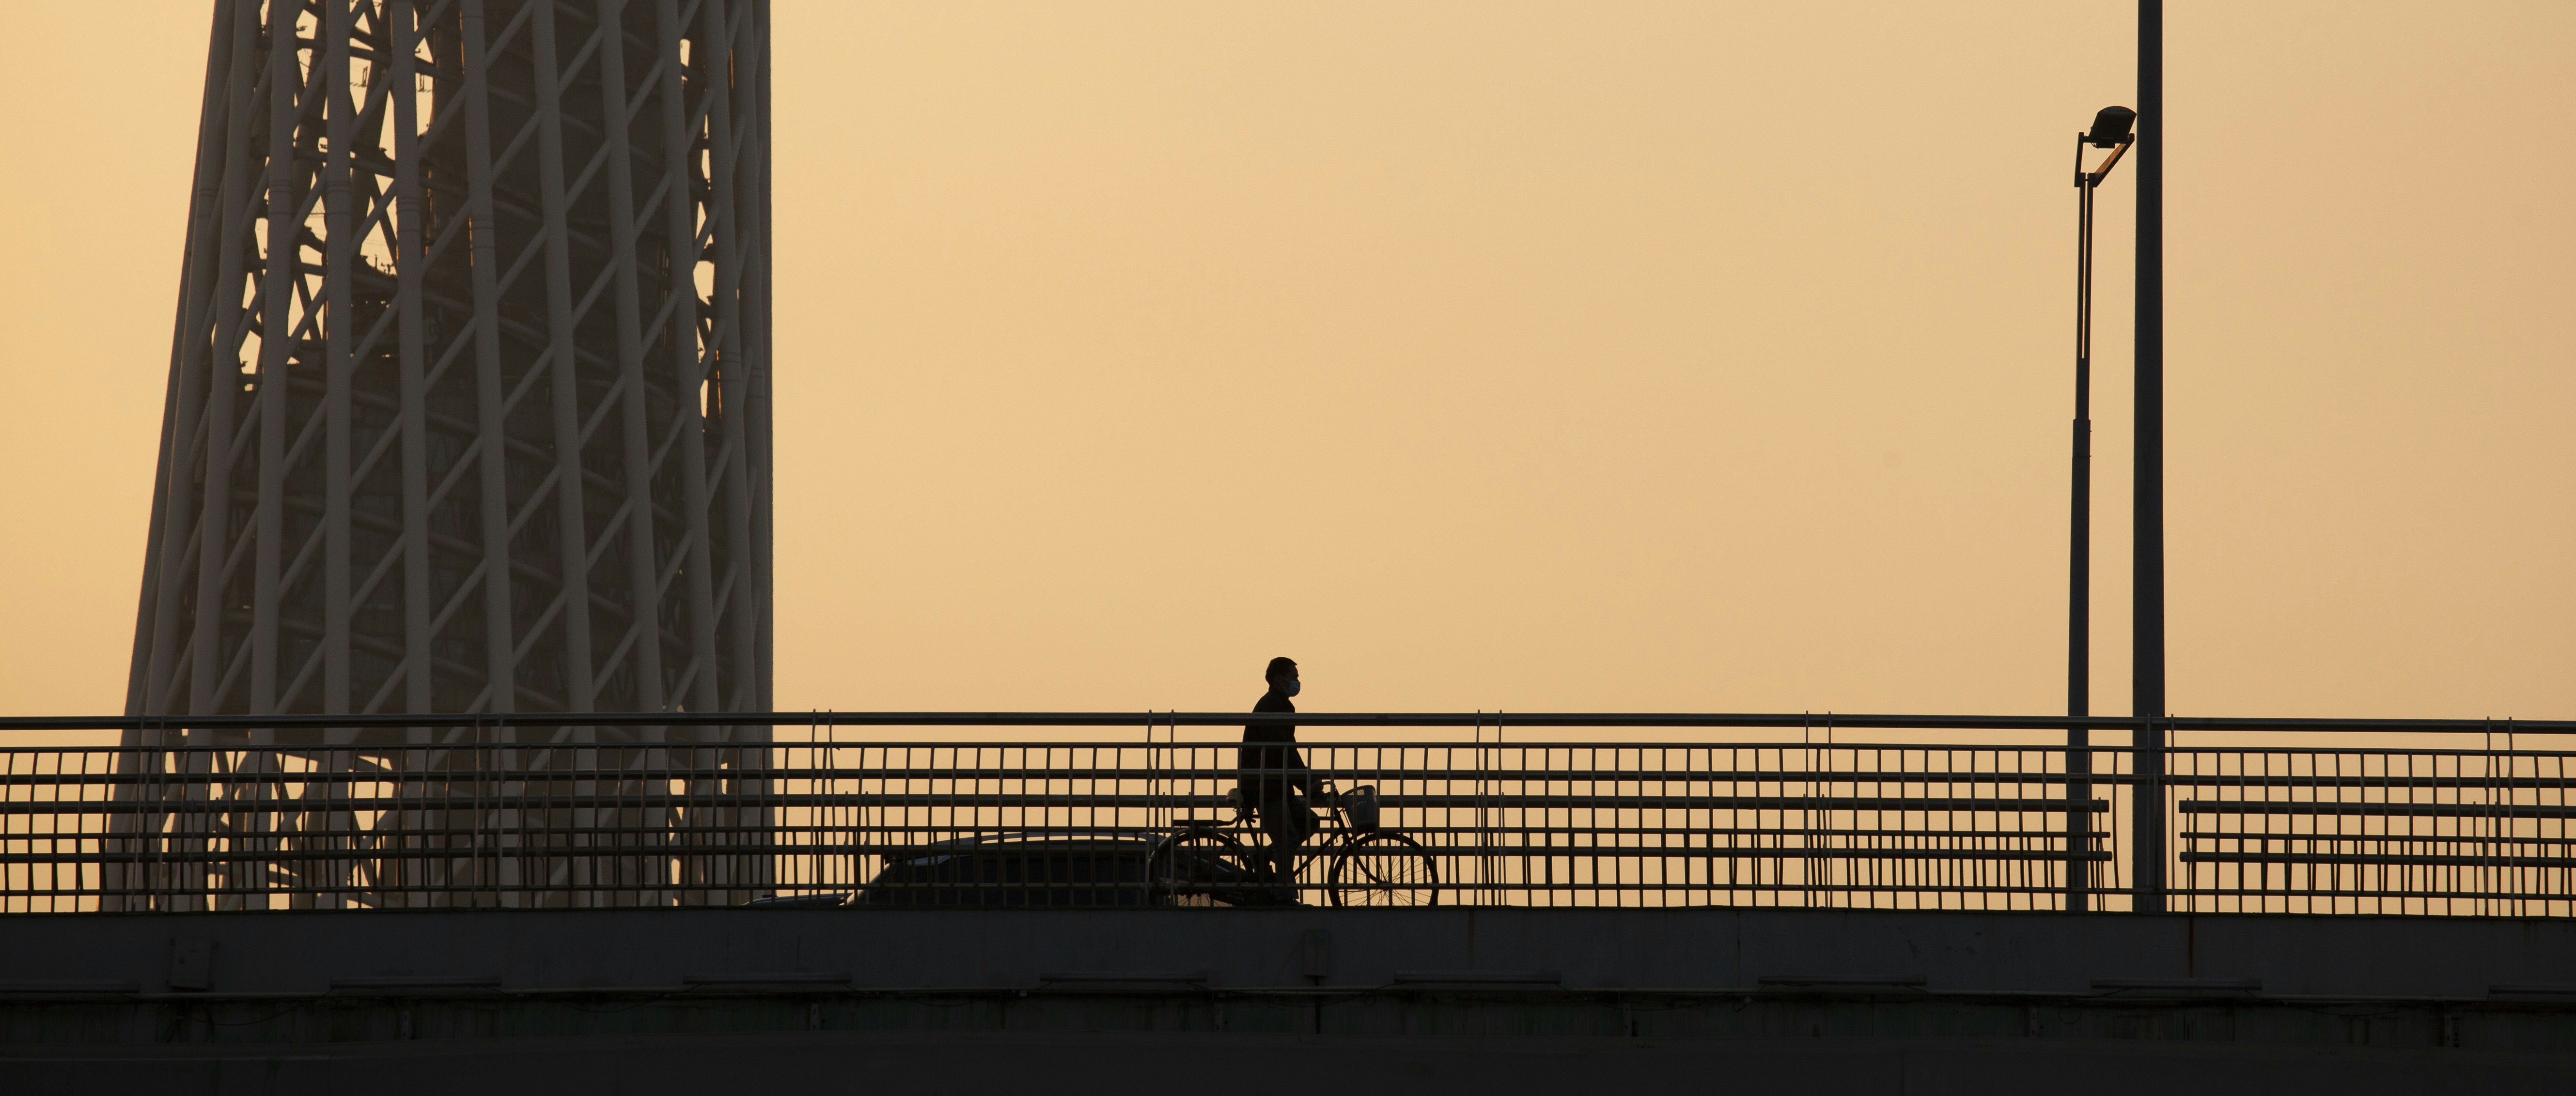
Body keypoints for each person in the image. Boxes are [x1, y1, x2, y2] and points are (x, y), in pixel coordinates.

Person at [1239, 656, 1321, 903]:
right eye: (1294, 676)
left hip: (1278, 785)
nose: (1297, 681)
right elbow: (1281, 751)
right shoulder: (1271, 706)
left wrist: (1307, 781)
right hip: (1265, 786)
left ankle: (1262, 857)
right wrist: (1308, 784)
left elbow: (1289, 750)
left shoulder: (1281, 705)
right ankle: (1284, 895)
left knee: (1310, 822)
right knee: (1286, 840)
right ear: (1279, 679)